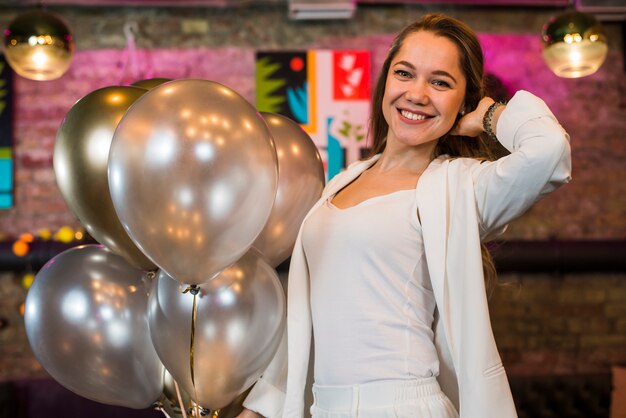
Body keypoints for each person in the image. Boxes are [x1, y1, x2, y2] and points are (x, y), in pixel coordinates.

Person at [237, 12, 571, 418]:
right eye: (405, 73)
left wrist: (485, 116)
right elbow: (307, 322)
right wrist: (257, 411)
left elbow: (549, 151)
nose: (417, 93)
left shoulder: (461, 187)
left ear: (461, 100)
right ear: (386, 81)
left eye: (440, 82)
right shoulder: (340, 183)